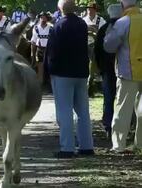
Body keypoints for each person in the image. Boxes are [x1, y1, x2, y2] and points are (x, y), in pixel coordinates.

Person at [44, 0, 94, 158]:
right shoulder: (82, 25)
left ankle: (67, 147)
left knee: (64, 110)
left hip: (62, 73)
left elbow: (51, 52)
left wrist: (48, 71)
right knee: (83, 111)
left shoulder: (57, 26)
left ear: (60, 8)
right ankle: (87, 146)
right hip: (80, 72)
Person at [104, 0, 142, 153]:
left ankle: (119, 145)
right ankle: (140, 144)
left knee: (123, 110)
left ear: (122, 5)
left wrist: (109, 31)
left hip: (128, 71)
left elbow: (109, 46)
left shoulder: (123, 22)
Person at [94, 4, 122, 139]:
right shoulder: (125, 26)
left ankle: (108, 125)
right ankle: (124, 126)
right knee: (122, 99)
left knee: (109, 97)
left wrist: (99, 67)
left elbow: (97, 50)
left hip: (107, 69)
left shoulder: (103, 29)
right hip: (124, 69)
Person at [83, 2, 106, 97]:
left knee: (94, 65)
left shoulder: (101, 20)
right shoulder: (83, 20)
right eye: (88, 8)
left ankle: (91, 84)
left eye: (91, 8)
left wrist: (95, 31)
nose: (89, 10)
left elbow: (104, 34)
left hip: (96, 46)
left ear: (95, 10)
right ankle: (88, 85)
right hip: (84, 46)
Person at [31, 11, 53, 84]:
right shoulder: (36, 28)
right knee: (40, 67)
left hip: (49, 49)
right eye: (41, 17)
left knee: (50, 66)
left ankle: (51, 84)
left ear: (47, 18)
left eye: (44, 17)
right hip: (40, 49)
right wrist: (33, 55)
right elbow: (33, 42)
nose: (42, 19)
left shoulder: (51, 27)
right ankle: (40, 84)